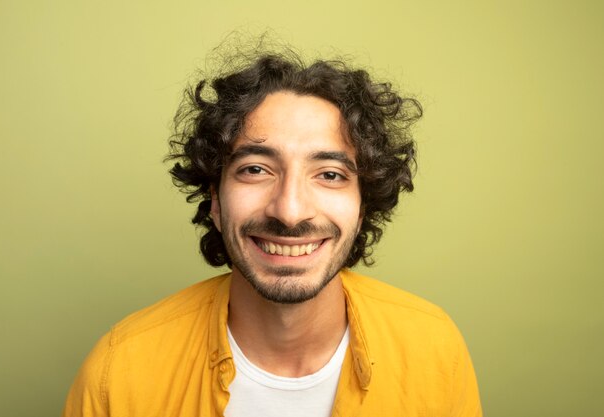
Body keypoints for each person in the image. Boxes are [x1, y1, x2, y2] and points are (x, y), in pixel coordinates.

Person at [62, 48, 482, 417]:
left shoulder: (434, 350)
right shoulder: (119, 371)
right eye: (256, 169)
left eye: (330, 174)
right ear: (215, 198)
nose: (290, 210)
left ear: (363, 204)